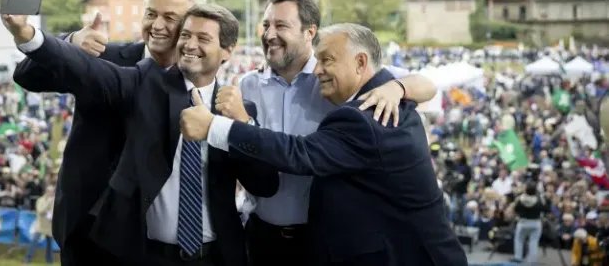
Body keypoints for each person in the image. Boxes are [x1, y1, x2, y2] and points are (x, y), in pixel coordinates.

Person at [3, 1, 280, 266]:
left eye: (203, 38)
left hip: (214, 257)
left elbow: (264, 184)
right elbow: (86, 69)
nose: (190, 44)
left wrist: (243, 125)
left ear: (228, 50)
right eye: (185, 35)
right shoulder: (144, 81)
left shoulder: (238, 109)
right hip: (143, 256)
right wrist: (28, 34)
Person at [181, 23, 466, 266]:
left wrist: (215, 127)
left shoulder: (367, 117)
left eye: (327, 60)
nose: (317, 71)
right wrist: (400, 86)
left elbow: (299, 153)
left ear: (360, 63)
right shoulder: (383, 94)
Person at [11, 0, 207, 265]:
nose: (157, 25)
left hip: (155, 235)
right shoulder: (105, 54)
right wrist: (74, 41)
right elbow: (27, 75)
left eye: (170, 17)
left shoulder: (199, 82)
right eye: (151, 13)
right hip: (88, 227)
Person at [512, 182, 547, 264]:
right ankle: (532, 261)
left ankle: (518, 257)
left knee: (519, 240)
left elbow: (516, 209)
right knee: (534, 242)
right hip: (535, 223)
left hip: (523, 222)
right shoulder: (538, 200)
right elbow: (544, 209)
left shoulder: (521, 199)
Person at [24, 184, 56, 264]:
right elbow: (40, 211)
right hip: (40, 225)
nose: (51, 193)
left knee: (49, 245)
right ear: (46, 191)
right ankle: (27, 260)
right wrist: (48, 203)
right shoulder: (40, 200)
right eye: (49, 191)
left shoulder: (56, 201)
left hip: (49, 226)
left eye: (52, 191)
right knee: (34, 241)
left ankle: (50, 262)